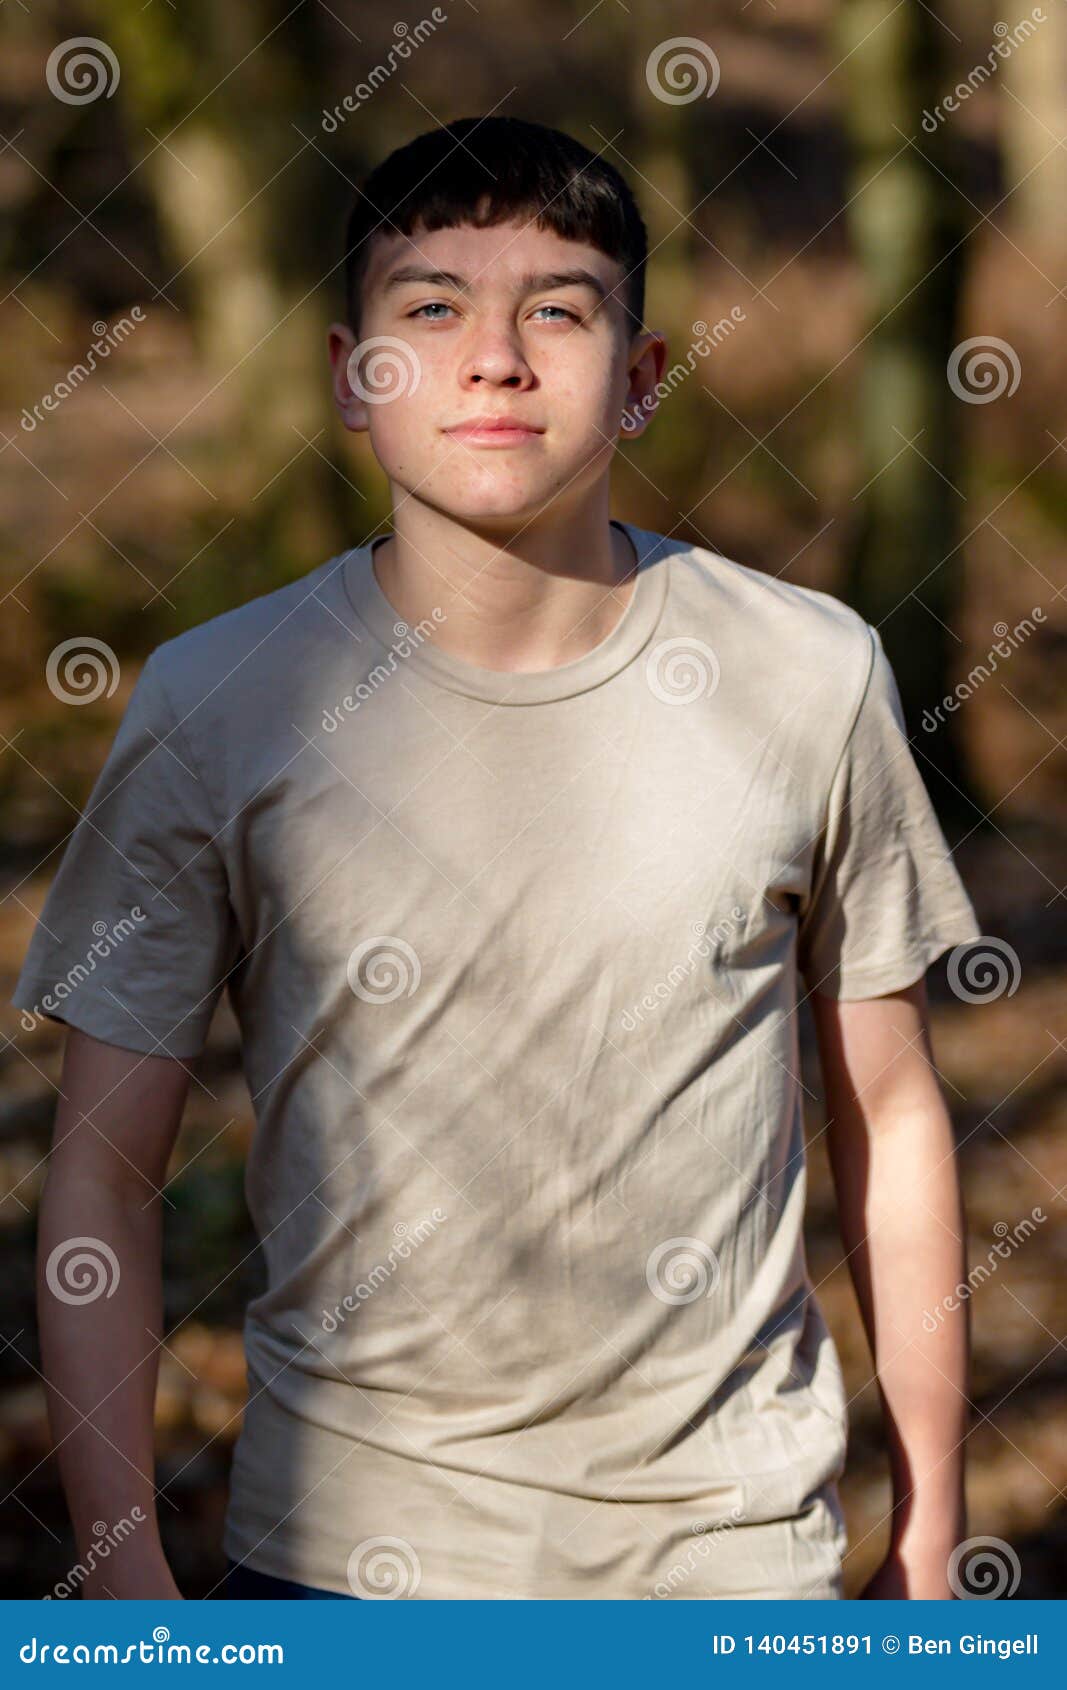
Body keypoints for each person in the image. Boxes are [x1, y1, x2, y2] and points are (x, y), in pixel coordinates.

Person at [12, 114, 982, 1602]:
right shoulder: (219, 700)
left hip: (735, 1567)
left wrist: (926, 1532)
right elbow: (98, 1172)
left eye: (558, 309)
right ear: (352, 374)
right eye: (432, 307)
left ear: (642, 378)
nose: (495, 358)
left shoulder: (811, 672)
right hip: (341, 1568)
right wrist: (127, 1565)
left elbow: (897, 1119)